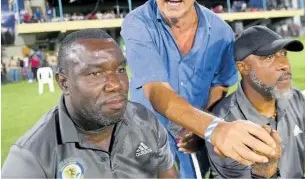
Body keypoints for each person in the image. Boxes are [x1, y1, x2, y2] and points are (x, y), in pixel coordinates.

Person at [121, 0, 276, 178]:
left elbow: (220, 83)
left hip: (194, 141)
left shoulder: (221, 32)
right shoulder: (137, 24)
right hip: (146, 138)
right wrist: (212, 127)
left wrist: (201, 123)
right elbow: (156, 91)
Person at [2, 29, 177, 178]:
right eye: (95, 74)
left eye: (120, 69)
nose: (116, 84)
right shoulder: (31, 158)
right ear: (64, 83)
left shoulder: (145, 121)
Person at [206, 25, 305, 178]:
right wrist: (265, 172)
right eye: (269, 57)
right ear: (243, 68)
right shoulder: (225, 124)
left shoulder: (298, 102)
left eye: (284, 54)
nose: (285, 65)